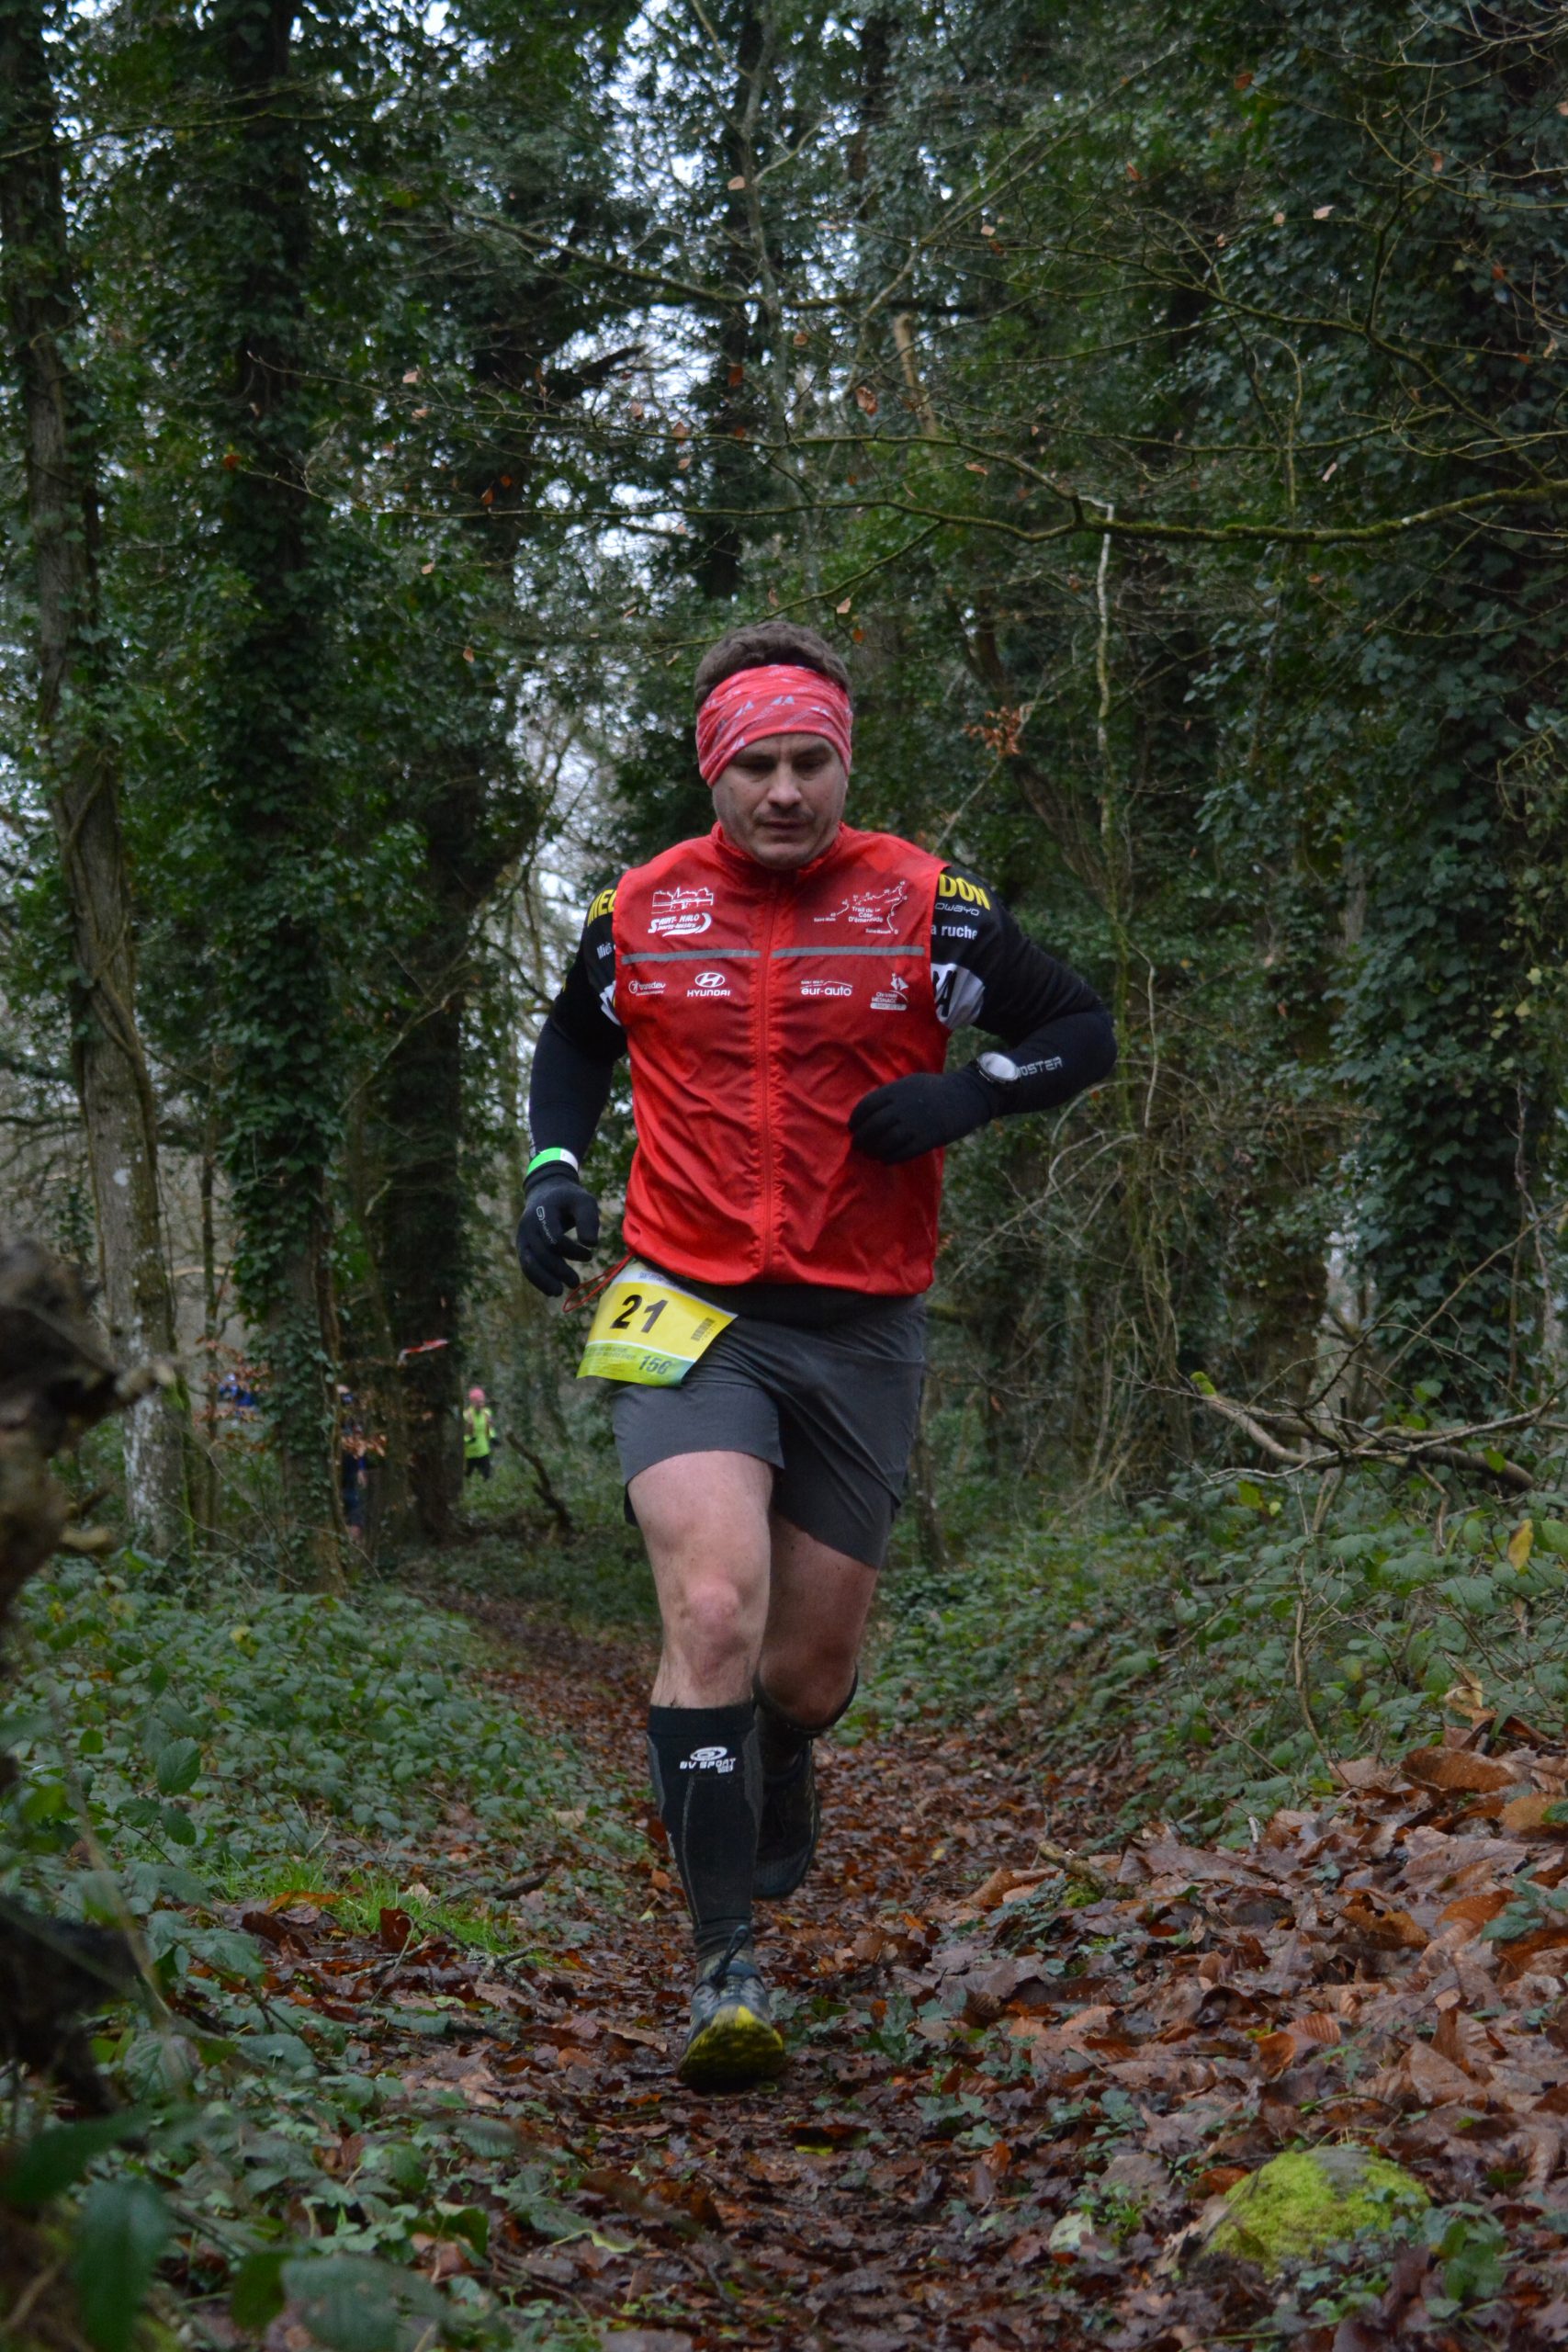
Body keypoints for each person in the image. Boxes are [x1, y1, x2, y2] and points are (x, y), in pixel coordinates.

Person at [517, 621, 1114, 2091]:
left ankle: (779, 1755)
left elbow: (1079, 1029)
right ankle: (722, 1962)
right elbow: (573, 1045)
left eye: (809, 762)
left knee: (805, 1670)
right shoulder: (640, 910)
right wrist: (550, 1170)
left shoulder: (926, 908)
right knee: (712, 1607)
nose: (783, 791)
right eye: (755, 767)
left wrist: (972, 1094)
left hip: (859, 1323)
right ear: (711, 775)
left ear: (843, 764)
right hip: (686, 1308)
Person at [463, 1386, 496, 1481]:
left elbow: (490, 1429)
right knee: (467, 1477)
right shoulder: (466, 1415)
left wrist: (493, 1437)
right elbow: (462, 1435)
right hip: (471, 1454)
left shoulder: (487, 1413)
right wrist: (468, 1439)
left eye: (482, 1402)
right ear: (472, 1402)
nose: (481, 1404)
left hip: (483, 1451)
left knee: (487, 1476)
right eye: (478, 1402)